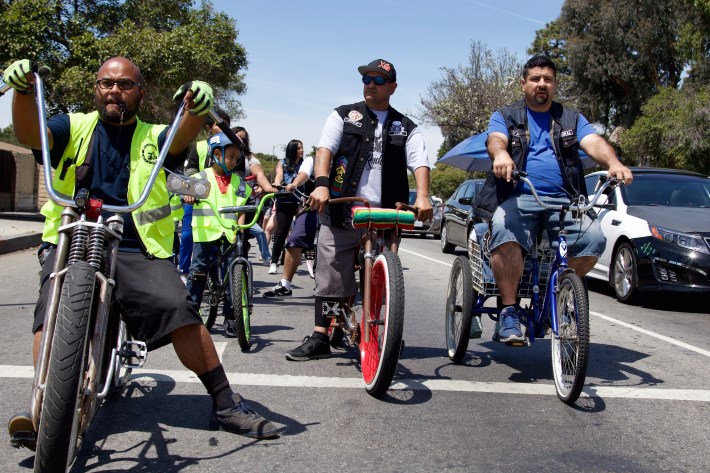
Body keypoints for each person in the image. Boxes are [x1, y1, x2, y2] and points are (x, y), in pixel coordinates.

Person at [3, 57, 278, 447]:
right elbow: (31, 133)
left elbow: (181, 136)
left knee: (179, 309)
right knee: (51, 308)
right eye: (106, 83)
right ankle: (45, 403)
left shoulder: (154, 134)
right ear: (96, 88)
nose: (114, 90)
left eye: (125, 85)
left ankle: (224, 401)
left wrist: (194, 106)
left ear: (141, 93)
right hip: (75, 238)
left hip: (137, 246)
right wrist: (24, 91)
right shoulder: (73, 125)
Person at [477, 55, 634, 343]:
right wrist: (501, 154)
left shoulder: (571, 118)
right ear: (523, 83)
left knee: (594, 238)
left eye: (548, 79)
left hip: (565, 199)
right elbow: (495, 139)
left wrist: (613, 162)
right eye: (535, 78)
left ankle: (557, 297)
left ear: (555, 85)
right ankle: (509, 311)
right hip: (519, 194)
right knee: (503, 231)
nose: (542, 84)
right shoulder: (506, 115)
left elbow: (594, 143)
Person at [285, 58, 433, 361]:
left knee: (382, 274)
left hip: (386, 213)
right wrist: (322, 184)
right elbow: (324, 149)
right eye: (367, 79)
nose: (370, 85)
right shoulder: (343, 115)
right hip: (343, 207)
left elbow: (420, 161)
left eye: (379, 81)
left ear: (392, 87)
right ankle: (320, 335)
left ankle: (379, 331)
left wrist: (424, 197)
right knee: (331, 270)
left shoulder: (406, 127)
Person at [184, 132, 251, 338]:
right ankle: (190, 315)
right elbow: (185, 193)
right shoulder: (199, 178)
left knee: (232, 274)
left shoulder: (240, 183)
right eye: (230, 156)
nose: (233, 162)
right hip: (205, 233)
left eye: (236, 158)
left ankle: (231, 318)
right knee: (198, 272)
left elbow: (241, 209)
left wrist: (240, 229)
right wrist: (188, 196)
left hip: (229, 234)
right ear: (216, 154)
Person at [178, 108, 231, 283]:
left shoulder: (233, 148)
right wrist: (194, 190)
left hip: (223, 201)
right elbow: (190, 169)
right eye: (219, 124)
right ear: (209, 127)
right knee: (187, 235)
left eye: (226, 124)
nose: (223, 127)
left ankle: (226, 280)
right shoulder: (198, 146)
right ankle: (184, 273)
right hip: (197, 199)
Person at [263, 150, 317, 297]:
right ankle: (285, 284)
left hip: (339, 208)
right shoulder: (311, 161)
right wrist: (294, 184)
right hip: (310, 207)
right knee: (293, 240)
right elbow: (303, 174)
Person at [233, 126, 275, 264]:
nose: (241, 141)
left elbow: (259, 174)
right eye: (237, 137)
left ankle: (241, 276)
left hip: (244, 205)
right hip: (224, 203)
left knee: (242, 241)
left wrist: (269, 188)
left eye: (244, 139)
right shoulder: (220, 155)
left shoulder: (249, 158)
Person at [268, 139, 306, 275]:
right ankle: (273, 262)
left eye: (302, 148)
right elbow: (279, 176)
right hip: (285, 201)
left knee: (302, 232)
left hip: (302, 201)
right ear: (292, 150)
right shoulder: (282, 163)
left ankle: (296, 258)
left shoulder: (305, 164)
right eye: (298, 148)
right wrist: (277, 184)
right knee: (281, 232)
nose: (301, 150)